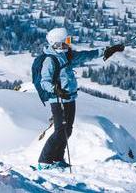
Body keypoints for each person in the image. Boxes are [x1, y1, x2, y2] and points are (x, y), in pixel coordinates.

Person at [34, 28, 124, 170]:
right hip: (58, 100)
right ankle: (44, 161)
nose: (69, 44)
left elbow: (86, 55)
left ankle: (57, 159)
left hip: (70, 98)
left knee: (67, 130)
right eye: (66, 41)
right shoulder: (50, 60)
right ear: (57, 43)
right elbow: (44, 82)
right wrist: (55, 90)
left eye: (68, 41)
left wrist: (108, 50)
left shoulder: (66, 56)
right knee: (59, 131)